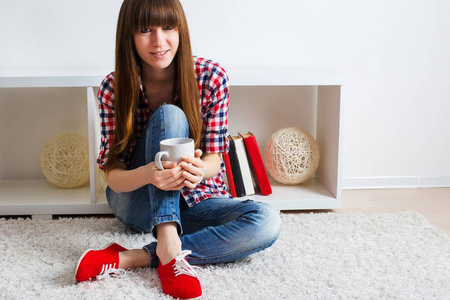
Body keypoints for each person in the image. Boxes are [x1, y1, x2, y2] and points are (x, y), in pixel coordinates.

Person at [74, 0, 281, 299]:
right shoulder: (114, 87)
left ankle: (135, 257)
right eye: (145, 30)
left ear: (180, 29)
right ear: (129, 36)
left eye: (168, 27)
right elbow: (114, 177)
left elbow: (213, 160)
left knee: (267, 221)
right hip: (136, 199)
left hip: (197, 198)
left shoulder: (211, 77)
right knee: (170, 115)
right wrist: (149, 173)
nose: (159, 41)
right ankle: (169, 243)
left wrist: (199, 171)